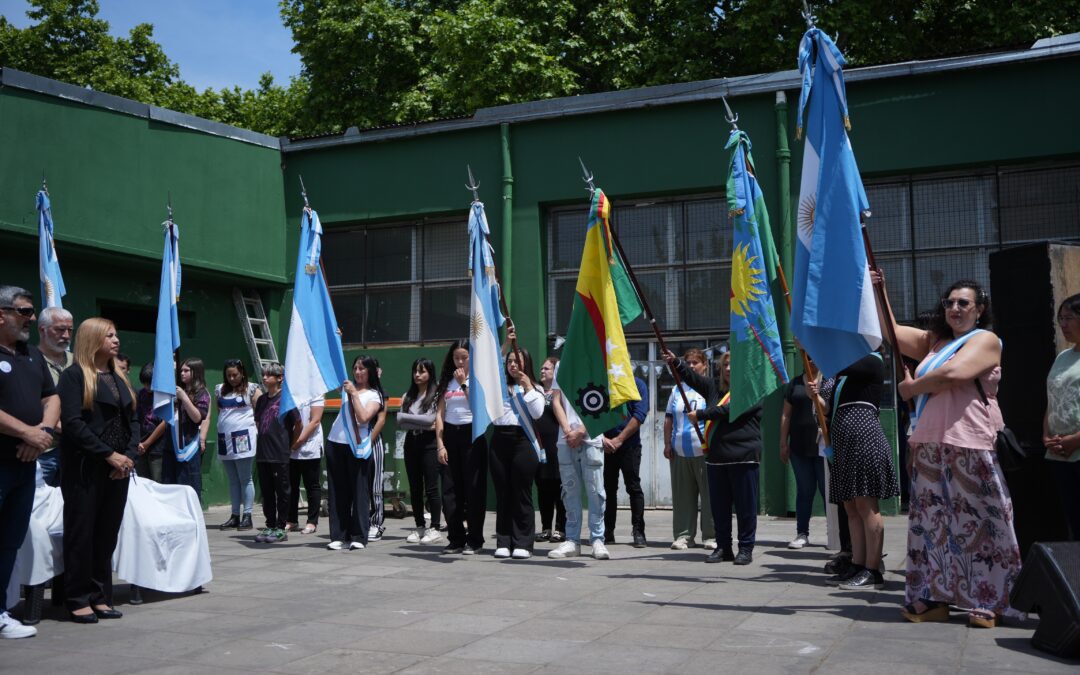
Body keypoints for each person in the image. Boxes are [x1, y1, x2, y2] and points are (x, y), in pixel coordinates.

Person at [877, 275, 1022, 627]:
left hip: (970, 442)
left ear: (979, 309)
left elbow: (954, 374)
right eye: (949, 303)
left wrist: (912, 389)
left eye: (963, 303)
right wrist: (878, 289)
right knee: (931, 527)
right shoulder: (935, 342)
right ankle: (934, 596)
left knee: (985, 523)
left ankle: (992, 600)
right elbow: (891, 334)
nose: (955, 308)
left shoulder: (986, 340)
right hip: (930, 446)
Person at [57, 317, 137, 623]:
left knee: (106, 534)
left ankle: (100, 595)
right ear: (93, 339)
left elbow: (134, 421)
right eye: (109, 336)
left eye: (117, 335)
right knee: (82, 533)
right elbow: (74, 425)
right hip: (85, 467)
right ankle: (77, 597)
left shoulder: (119, 376)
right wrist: (109, 456)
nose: (116, 340)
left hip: (118, 469)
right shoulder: (74, 376)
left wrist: (127, 458)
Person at [809, 353, 899, 590]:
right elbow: (827, 410)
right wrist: (816, 396)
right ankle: (858, 564)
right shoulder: (843, 375)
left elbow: (838, 361)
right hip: (843, 442)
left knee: (866, 504)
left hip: (863, 439)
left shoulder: (871, 360)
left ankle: (872, 570)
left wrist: (814, 342)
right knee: (851, 507)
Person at [665, 349, 761, 565]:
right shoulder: (713, 388)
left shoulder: (751, 388)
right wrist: (676, 362)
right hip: (717, 457)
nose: (728, 369)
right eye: (725, 365)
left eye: (732, 364)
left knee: (746, 508)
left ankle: (745, 548)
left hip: (743, 455)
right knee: (719, 508)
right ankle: (723, 548)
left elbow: (730, 410)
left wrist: (700, 415)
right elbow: (692, 377)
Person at [0, 287, 58, 638]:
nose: (31, 318)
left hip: (25, 464)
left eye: (31, 311)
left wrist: (42, 433)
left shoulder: (33, 355)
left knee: (9, 540)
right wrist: (27, 433)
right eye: (23, 311)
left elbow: (50, 397)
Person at [547, 362, 609, 560]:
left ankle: (597, 539)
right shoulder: (562, 366)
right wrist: (567, 430)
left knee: (595, 492)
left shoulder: (597, 365)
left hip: (591, 438)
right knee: (569, 492)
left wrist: (581, 430)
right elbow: (556, 400)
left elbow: (604, 400)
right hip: (566, 440)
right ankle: (572, 539)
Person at [488, 347, 545, 559]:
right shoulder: (499, 386)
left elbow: (538, 413)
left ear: (526, 364)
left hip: (523, 441)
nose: (513, 365)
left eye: (517, 362)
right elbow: (492, 362)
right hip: (499, 439)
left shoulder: (534, 388)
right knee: (503, 493)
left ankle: (523, 542)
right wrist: (505, 342)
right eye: (510, 361)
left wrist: (528, 386)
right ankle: (504, 540)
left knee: (521, 493)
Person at [325, 355, 383, 551]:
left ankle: (358, 535)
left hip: (357, 446)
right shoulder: (346, 387)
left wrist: (354, 395)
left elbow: (364, 417)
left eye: (362, 369)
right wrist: (337, 338)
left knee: (359, 491)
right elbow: (335, 365)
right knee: (337, 492)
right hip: (335, 442)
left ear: (371, 372)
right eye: (355, 368)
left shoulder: (374, 395)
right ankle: (338, 534)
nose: (358, 372)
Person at [435, 340, 488, 555]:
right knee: (450, 490)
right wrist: (440, 444)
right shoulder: (446, 381)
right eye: (456, 357)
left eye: (464, 358)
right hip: (450, 435)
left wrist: (464, 383)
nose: (459, 362)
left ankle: (475, 539)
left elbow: (479, 407)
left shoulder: (477, 379)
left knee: (473, 490)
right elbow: (439, 413)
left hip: (472, 435)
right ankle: (455, 538)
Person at [663, 348, 714, 551]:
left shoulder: (709, 388)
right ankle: (684, 535)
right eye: (688, 362)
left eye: (696, 362)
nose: (692, 366)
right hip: (680, 452)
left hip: (704, 451)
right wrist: (667, 444)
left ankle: (710, 536)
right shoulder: (677, 389)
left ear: (705, 365)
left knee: (710, 496)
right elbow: (669, 419)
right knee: (683, 497)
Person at [1044, 293, 1080, 539]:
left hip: (1077, 449)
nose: (1063, 324)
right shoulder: (1063, 356)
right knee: (1073, 522)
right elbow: (1052, 399)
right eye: (1060, 319)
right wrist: (1046, 435)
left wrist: (1075, 440)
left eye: (1069, 318)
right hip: (1059, 455)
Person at [252, 362, 299, 544]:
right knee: (267, 491)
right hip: (263, 453)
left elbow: (298, 424)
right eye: (264, 374)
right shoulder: (262, 400)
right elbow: (258, 422)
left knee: (282, 490)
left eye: (269, 375)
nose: (265, 378)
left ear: (279, 378)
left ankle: (281, 526)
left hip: (279, 453)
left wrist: (291, 445)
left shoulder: (286, 399)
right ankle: (270, 524)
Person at [780, 367, 827, 550]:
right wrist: (783, 442)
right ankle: (802, 533)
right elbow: (786, 414)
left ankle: (837, 534)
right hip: (799, 446)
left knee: (828, 492)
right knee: (804, 491)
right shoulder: (795, 383)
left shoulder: (829, 379)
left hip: (824, 447)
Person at [397, 358, 442, 546]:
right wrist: (421, 421)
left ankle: (436, 528)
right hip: (411, 442)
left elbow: (432, 419)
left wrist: (413, 419)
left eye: (422, 371)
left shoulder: (436, 394)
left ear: (430, 373)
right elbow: (400, 420)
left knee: (431, 486)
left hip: (430, 443)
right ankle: (419, 526)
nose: (417, 375)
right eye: (415, 371)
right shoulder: (408, 396)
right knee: (415, 487)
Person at [602, 376, 649, 547]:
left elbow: (639, 414)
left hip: (630, 445)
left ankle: (638, 531)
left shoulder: (637, 384)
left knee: (633, 487)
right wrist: (603, 440)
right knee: (608, 490)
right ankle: (607, 532)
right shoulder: (602, 384)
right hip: (606, 446)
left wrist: (620, 439)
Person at [214, 359, 260, 531]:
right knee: (233, 480)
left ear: (242, 373)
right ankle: (234, 516)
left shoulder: (252, 388)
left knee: (245, 478)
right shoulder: (220, 389)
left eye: (235, 375)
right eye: (229, 375)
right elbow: (220, 412)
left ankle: (247, 516)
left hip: (243, 439)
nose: (232, 378)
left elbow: (261, 410)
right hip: (224, 439)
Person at [34, 306, 73, 488]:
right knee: (35, 507)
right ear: (42, 329)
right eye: (60, 329)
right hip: (42, 450)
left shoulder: (78, 361)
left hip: (75, 449)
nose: (66, 335)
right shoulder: (29, 360)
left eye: (69, 330)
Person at [163, 358, 210, 498]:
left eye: (186, 370)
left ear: (196, 372)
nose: (182, 373)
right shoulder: (177, 390)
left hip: (187, 447)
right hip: (170, 445)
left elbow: (197, 418)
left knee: (188, 487)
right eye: (181, 370)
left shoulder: (202, 393)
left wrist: (184, 398)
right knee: (169, 487)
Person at [534, 357, 567, 544]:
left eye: (547, 368)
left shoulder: (560, 392)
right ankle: (546, 528)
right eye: (541, 368)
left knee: (559, 488)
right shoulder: (536, 391)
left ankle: (560, 529)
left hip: (558, 445)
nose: (543, 371)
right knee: (543, 488)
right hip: (540, 448)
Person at [289, 395, 324, 535]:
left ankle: (312, 522)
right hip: (290, 446)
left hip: (309, 447)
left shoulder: (316, 393)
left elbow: (315, 421)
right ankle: (291, 520)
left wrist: (298, 442)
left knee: (312, 485)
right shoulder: (289, 391)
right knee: (291, 485)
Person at [133, 363, 165, 482]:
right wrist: (139, 443)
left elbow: (165, 423)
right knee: (143, 482)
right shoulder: (140, 394)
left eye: (150, 383)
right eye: (144, 383)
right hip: (140, 446)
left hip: (157, 448)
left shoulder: (163, 396)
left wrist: (147, 443)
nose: (147, 386)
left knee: (157, 482)